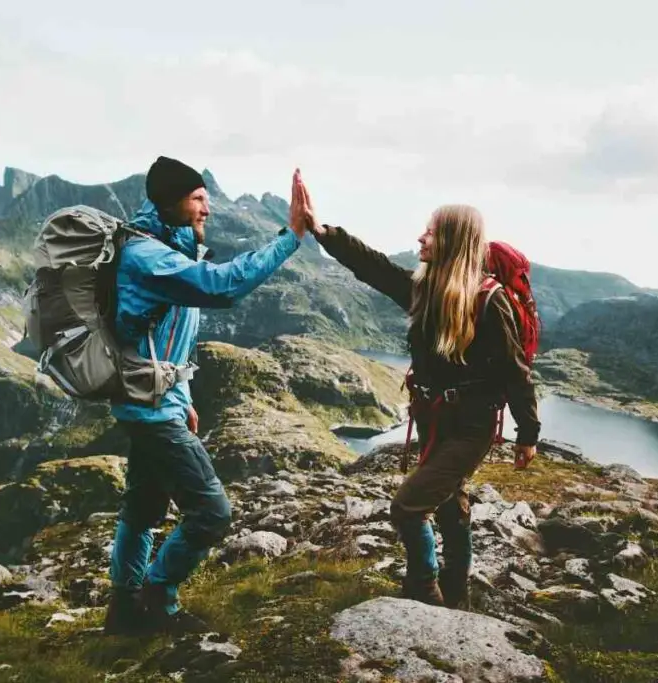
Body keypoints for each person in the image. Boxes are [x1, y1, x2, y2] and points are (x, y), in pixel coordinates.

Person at [290, 174, 539, 609]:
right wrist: (321, 230)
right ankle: (458, 595)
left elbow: (516, 373)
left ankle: (424, 588)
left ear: (453, 241)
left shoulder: (489, 301)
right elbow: (373, 267)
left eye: (430, 231)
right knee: (447, 506)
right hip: (434, 417)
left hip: (470, 427)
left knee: (407, 507)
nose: (420, 237)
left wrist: (528, 434)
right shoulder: (424, 290)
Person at [105, 157, 310, 635]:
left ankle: (122, 610)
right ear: (169, 203)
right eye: (197, 199)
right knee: (212, 514)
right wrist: (290, 236)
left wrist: (185, 395)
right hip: (152, 411)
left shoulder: (170, 252)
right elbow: (223, 287)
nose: (206, 209)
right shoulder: (147, 256)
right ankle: (156, 599)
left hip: (155, 402)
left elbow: (170, 337)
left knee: (143, 509)